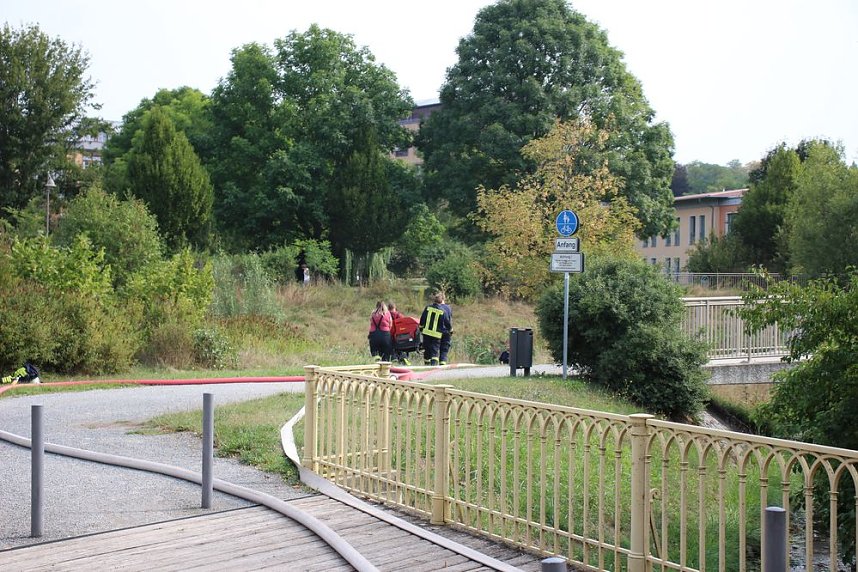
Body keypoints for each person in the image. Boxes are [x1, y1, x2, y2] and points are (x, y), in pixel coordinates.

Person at [419, 291, 453, 366]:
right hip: (437, 333)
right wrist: (450, 330)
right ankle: (438, 365)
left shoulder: (428, 308)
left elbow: (422, 319)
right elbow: (447, 321)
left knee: (427, 350)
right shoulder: (444, 310)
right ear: (443, 299)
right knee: (436, 350)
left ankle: (427, 365)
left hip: (427, 332)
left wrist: (421, 328)